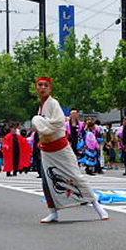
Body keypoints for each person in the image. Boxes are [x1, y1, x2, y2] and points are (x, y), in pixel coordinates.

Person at [31, 77, 109, 224]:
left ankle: (97, 206)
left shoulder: (53, 103)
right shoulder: (41, 107)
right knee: (47, 181)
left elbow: (59, 122)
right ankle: (53, 212)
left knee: (75, 176)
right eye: (40, 85)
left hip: (60, 147)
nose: (42, 88)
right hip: (47, 149)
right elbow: (43, 128)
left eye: (45, 85)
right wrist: (42, 130)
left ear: (50, 88)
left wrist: (42, 124)